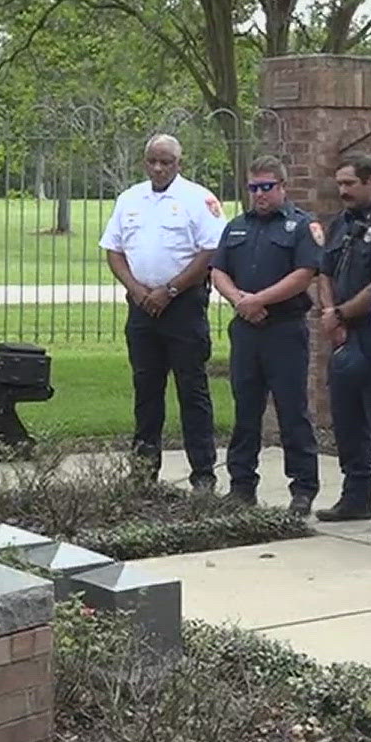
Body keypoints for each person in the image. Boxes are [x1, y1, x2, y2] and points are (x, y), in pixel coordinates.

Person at [100, 134, 227, 490]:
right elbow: (113, 250)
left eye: (165, 162)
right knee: (146, 389)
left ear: (178, 164)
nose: (158, 168)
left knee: (192, 390)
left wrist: (170, 290)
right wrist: (137, 290)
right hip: (142, 307)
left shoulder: (198, 199)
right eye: (152, 161)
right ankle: (143, 472)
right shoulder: (130, 199)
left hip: (183, 306)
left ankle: (203, 473)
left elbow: (210, 251)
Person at [210, 156, 323, 514]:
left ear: (282, 187)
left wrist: (260, 300)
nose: (259, 194)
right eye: (253, 187)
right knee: (245, 411)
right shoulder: (237, 226)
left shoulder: (300, 226)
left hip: (284, 330)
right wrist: (240, 301)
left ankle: (302, 489)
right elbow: (218, 271)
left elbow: (305, 273)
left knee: (292, 412)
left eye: (266, 187)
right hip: (246, 331)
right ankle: (242, 485)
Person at [315, 154, 371, 532]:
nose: (343, 191)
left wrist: (341, 314)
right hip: (342, 335)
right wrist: (329, 314)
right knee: (346, 419)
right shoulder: (342, 223)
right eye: (340, 184)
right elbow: (324, 270)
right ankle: (355, 497)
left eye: (350, 184)